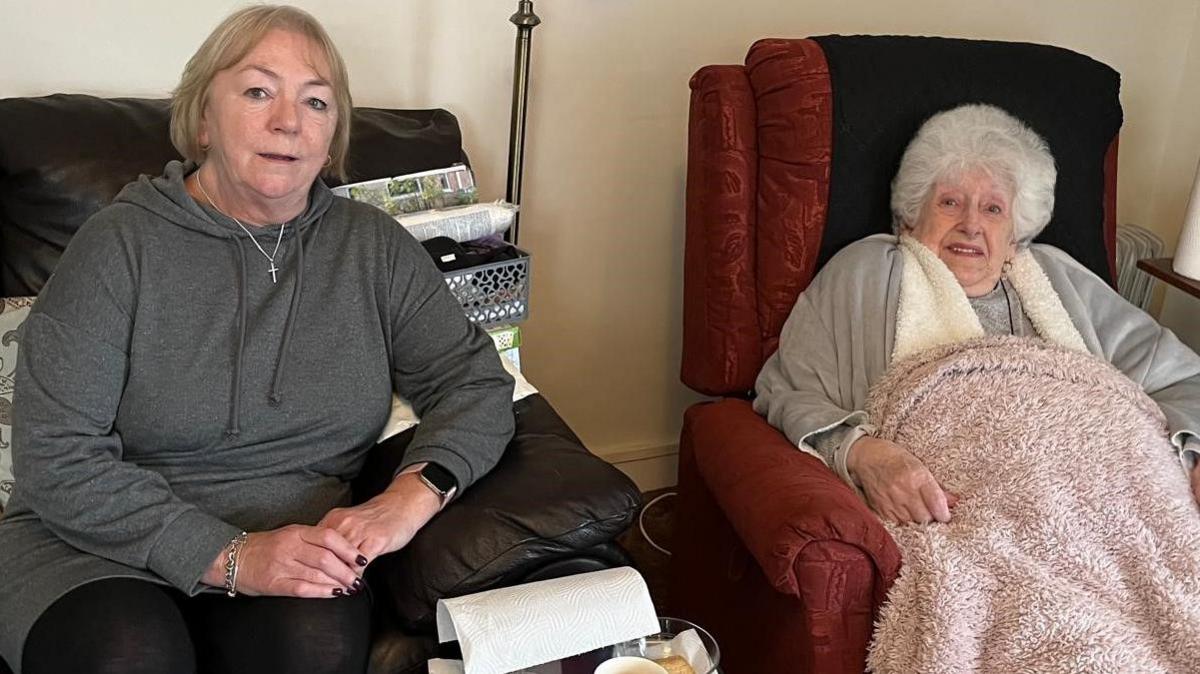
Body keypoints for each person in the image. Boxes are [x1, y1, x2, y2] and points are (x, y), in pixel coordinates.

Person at [0, 6, 514, 674]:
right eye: (257, 91)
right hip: (92, 547)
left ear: (332, 138)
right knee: (128, 655)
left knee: (312, 648)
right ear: (203, 119)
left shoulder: (372, 249)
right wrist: (231, 557)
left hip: (292, 540)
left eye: (316, 101)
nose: (287, 121)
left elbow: (474, 382)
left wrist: (408, 499)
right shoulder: (119, 247)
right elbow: (58, 458)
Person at [754, 103, 1200, 526]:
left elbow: (1182, 378)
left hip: (1102, 495)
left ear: (1014, 234)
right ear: (910, 218)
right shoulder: (866, 271)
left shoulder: (1059, 277)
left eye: (993, 209)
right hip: (965, 508)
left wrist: (1195, 453)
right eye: (949, 202)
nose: (971, 224)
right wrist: (864, 454)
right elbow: (788, 388)